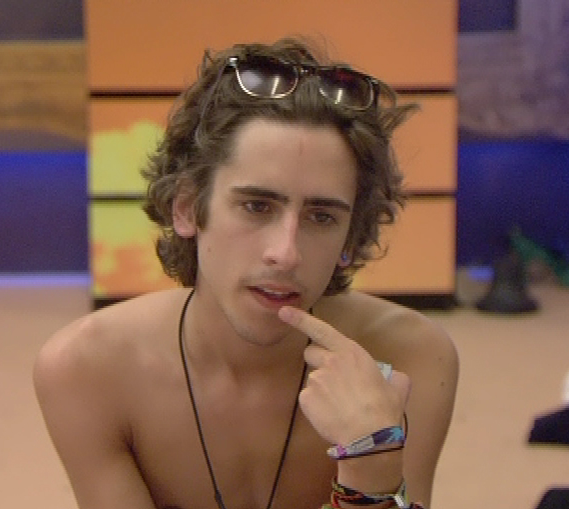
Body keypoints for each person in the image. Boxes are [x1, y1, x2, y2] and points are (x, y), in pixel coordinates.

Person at [34, 38, 459, 509]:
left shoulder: (411, 357)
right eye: (257, 206)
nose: (285, 253)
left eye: (321, 217)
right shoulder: (87, 369)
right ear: (187, 207)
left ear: (350, 238)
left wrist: (370, 468)